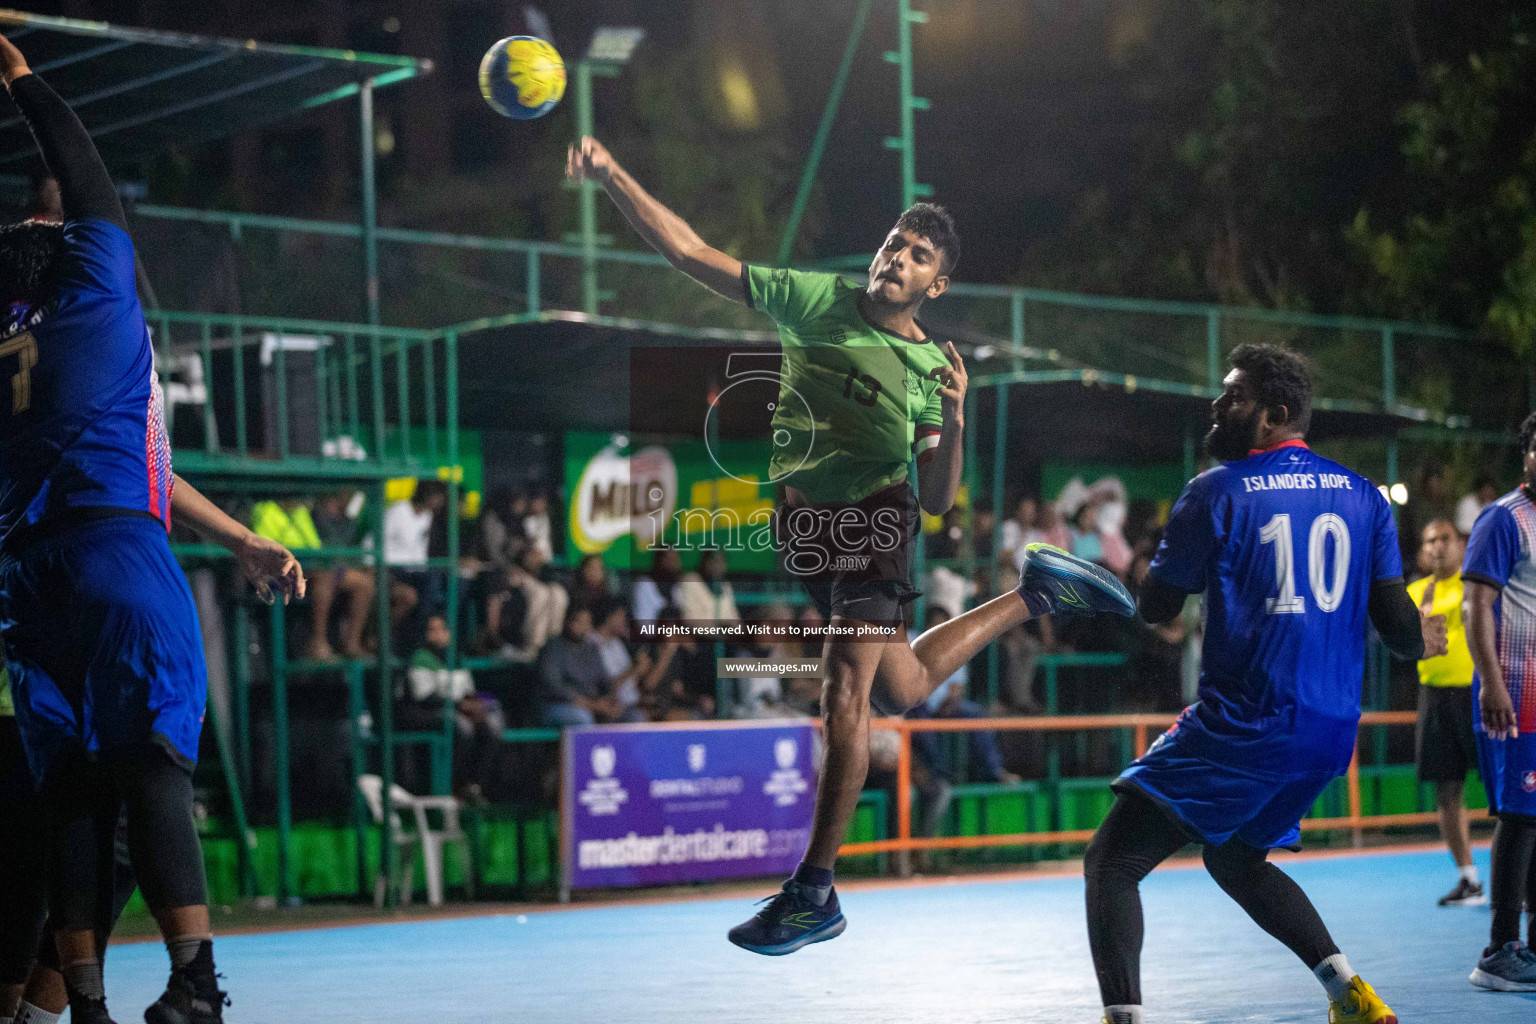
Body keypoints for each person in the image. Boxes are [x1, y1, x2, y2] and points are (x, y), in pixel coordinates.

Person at [567, 134, 1134, 956]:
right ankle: (1034, 592)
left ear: (936, 284)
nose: (897, 256)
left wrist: (959, 417)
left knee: (844, 701)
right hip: (805, 534)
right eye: (894, 242)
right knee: (899, 685)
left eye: (918, 255)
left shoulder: (924, 370)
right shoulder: (811, 298)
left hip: (875, 524)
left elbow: (937, 502)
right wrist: (613, 172)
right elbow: (688, 252)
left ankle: (814, 893)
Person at [0, 35, 305, 1024]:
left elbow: (152, 466)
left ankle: (77, 1005)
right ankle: (196, 986)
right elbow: (85, 178)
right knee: (155, 767)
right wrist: (18, 77)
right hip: (116, 556)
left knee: (75, 802)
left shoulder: (16, 352)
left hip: (26, 585)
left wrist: (238, 537)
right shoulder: (100, 299)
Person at [1085, 344, 1446, 1024]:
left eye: (1235, 397)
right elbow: (1400, 628)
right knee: (1236, 860)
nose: (1219, 405)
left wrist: (1109, 581)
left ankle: (1122, 1019)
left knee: (1111, 862)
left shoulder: (1215, 490)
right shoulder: (1364, 496)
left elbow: (1157, 608)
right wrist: (1418, 635)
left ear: (1276, 414)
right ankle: (1353, 996)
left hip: (1245, 725)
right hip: (1329, 732)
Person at [1461, 410, 1536, 992]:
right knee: (1519, 816)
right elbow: (1475, 607)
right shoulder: (1501, 519)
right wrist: (1491, 683)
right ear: (1527, 454)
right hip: (1514, 693)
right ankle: (1499, 950)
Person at [1406, 519, 1484, 906]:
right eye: (1430, 540)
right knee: (1446, 791)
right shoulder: (1414, 594)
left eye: (1445, 539)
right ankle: (1468, 878)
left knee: (1505, 790)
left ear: (1462, 545)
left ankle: (1522, 881)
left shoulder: (1478, 585)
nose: (1438, 546)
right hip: (1434, 698)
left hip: (1479, 695)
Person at [403, 615, 506, 805]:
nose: (437, 635)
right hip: (430, 711)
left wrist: (474, 705)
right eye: (432, 630)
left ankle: (475, 785)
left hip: (459, 708)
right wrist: (460, 706)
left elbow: (468, 691)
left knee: (493, 723)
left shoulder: (456, 659)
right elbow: (424, 696)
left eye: (442, 629)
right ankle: (452, 785)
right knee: (462, 727)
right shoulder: (420, 658)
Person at [537, 605, 620, 727]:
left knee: (631, 716)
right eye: (579, 622)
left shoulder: (592, 649)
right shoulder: (553, 647)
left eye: (587, 623)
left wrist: (612, 700)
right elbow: (554, 687)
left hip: (592, 704)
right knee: (582, 718)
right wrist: (592, 705)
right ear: (567, 621)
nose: (583, 627)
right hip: (557, 706)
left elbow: (605, 680)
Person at [673, 547, 740, 624]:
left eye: (722, 562)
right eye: (714, 561)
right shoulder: (690, 581)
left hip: (725, 633)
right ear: (705, 562)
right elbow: (689, 619)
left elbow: (734, 618)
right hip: (699, 634)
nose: (718, 566)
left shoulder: (725, 586)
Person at [631, 545, 681, 626]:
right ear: (659, 560)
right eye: (670, 559)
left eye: (675, 560)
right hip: (653, 634)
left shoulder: (678, 586)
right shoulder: (645, 584)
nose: (673, 564)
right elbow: (643, 623)